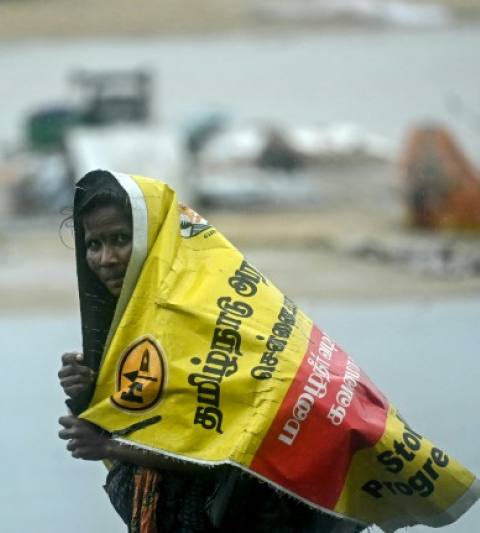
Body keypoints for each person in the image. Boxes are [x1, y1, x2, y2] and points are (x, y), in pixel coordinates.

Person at [57, 170, 365, 533]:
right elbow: (157, 418)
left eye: (122, 239)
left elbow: (237, 450)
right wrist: (89, 395)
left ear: (155, 239)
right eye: (94, 245)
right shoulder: (130, 328)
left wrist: (111, 448)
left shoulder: (209, 311)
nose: (106, 259)